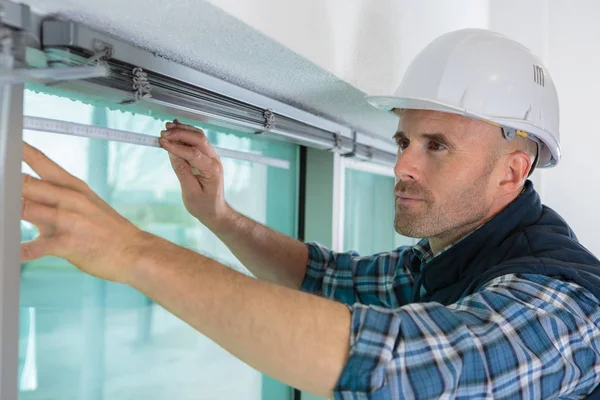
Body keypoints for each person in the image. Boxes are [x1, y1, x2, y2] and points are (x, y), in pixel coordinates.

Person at [20, 28, 600, 399]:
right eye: (403, 143)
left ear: (513, 171)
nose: (402, 167)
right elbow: (326, 278)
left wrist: (132, 253)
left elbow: (398, 371)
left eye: (437, 146)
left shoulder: (563, 308)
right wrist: (220, 216)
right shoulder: (448, 255)